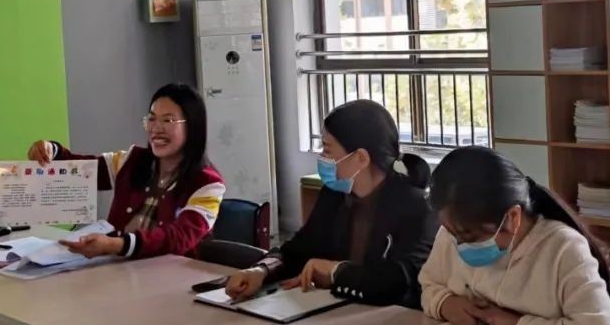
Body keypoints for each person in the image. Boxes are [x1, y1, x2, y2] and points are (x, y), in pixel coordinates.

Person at [419, 146, 610, 325]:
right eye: (453, 234)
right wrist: (446, 304)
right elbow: (429, 284)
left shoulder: (563, 249)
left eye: (470, 236)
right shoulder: (454, 231)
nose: (459, 245)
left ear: (512, 217)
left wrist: (513, 324)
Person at [225, 100, 436, 308]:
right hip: (333, 312)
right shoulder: (334, 195)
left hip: (390, 319)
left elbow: (399, 281)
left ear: (360, 158)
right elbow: (299, 249)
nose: (321, 157)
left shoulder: (417, 207)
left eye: (327, 150)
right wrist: (262, 270)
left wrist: (335, 271)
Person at [26, 83, 224, 260]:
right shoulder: (132, 160)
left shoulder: (208, 184)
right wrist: (52, 151)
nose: (156, 129)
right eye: (151, 119)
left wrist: (115, 245)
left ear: (193, 126)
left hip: (174, 279)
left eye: (168, 120)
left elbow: (178, 238)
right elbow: (83, 172)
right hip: (119, 271)